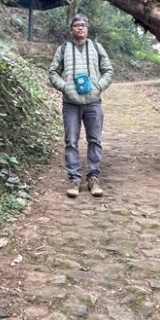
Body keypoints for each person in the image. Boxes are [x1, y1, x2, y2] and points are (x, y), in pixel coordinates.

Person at [48, 13, 113, 198]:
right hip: (71, 104)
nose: (80, 28)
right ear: (71, 30)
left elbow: (108, 70)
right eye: (76, 25)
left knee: (95, 140)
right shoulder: (63, 49)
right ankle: (74, 179)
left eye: (83, 25)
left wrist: (99, 86)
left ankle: (93, 177)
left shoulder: (96, 47)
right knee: (71, 142)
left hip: (93, 103)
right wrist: (65, 87)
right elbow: (52, 72)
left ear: (87, 28)